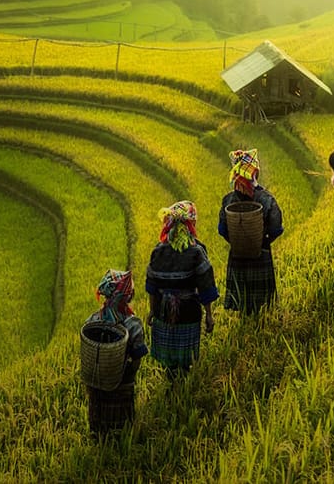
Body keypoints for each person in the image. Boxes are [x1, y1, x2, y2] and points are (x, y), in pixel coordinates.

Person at [146, 200, 218, 378]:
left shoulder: (159, 251)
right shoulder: (196, 252)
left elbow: (151, 286)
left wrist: (151, 311)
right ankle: (183, 383)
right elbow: (205, 286)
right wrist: (209, 315)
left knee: (169, 355)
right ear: (191, 225)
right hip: (188, 310)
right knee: (185, 358)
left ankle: (171, 381)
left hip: (163, 309)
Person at [217, 149, 284, 314]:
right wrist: (262, 242)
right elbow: (277, 228)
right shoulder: (266, 199)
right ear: (255, 173)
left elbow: (222, 229)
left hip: (237, 256)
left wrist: (237, 241)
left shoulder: (228, 200)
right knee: (262, 305)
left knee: (242, 301)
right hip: (261, 254)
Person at [83, 269, 148, 435]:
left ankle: (97, 434)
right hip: (122, 381)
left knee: (98, 416)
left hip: (96, 380)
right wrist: (129, 375)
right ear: (128, 296)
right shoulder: (132, 323)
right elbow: (138, 356)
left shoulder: (93, 320)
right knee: (122, 421)